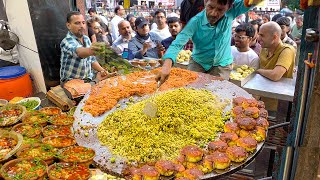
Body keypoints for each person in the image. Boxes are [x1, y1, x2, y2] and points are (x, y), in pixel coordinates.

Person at [157, 0, 259, 84]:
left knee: (217, 97)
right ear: (205, 2)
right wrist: (167, 64)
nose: (214, 13)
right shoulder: (195, 21)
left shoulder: (232, 11)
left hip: (222, 65)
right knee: (190, 91)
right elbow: (178, 42)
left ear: (229, 7)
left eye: (220, 9)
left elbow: (251, 2)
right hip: (199, 62)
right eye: (210, 7)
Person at [60, 11, 110, 83]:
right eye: (77, 23)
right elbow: (79, 52)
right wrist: (91, 51)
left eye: (83, 23)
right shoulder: (67, 41)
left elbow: (92, 60)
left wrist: (103, 71)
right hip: (71, 83)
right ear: (68, 25)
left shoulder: (86, 39)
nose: (82, 26)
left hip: (87, 80)